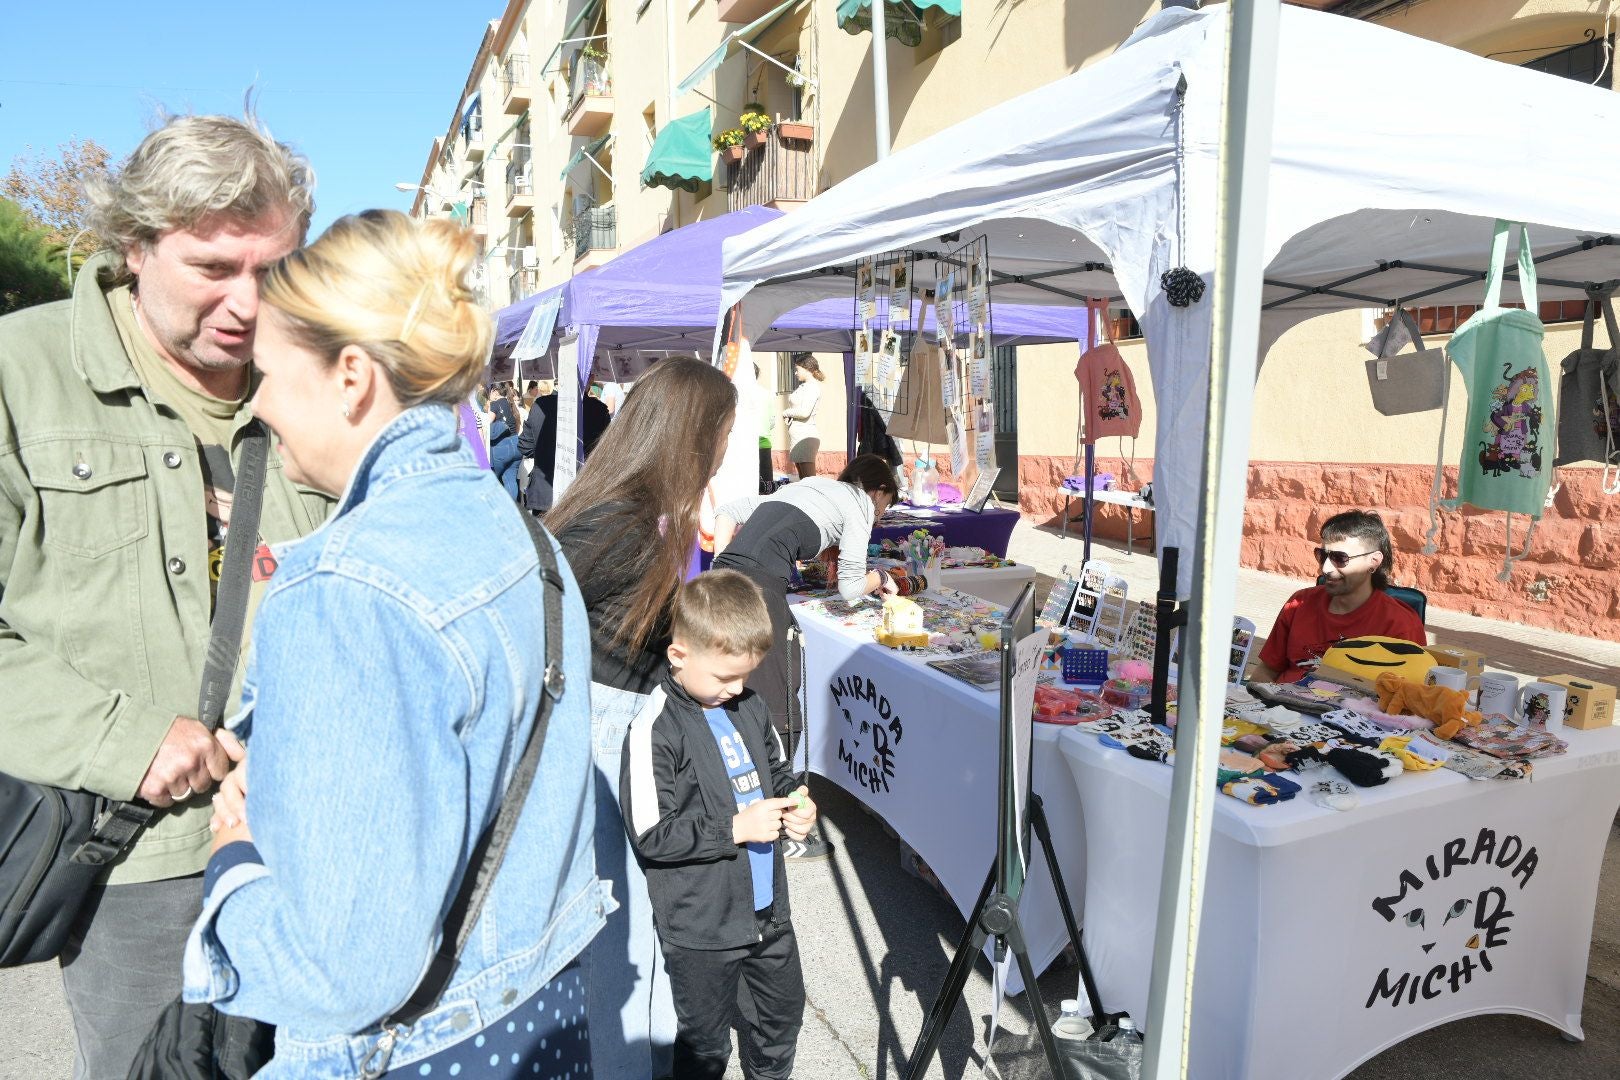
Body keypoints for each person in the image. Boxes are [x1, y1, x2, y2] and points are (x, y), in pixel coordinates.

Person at [186, 210, 609, 1076]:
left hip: (408, 1050)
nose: (254, 401)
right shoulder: (522, 533)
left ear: (350, 376)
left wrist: (233, 867)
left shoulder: (344, 587)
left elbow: (342, 972)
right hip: (541, 1020)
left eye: (264, 372)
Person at [0, 114, 328, 1080]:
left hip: (317, 839)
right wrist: (123, 739)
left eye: (274, 269)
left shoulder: (311, 381)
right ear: (136, 248)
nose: (248, 302)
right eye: (214, 267)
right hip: (138, 863)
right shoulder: (22, 377)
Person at [545, 356, 737, 1079]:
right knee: (620, 936)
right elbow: (542, 607)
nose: (725, 447)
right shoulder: (621, 522)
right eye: (722, 431)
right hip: (604, 737)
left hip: (617, 730)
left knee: (632, 932)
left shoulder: (638, 512)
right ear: (693, 434)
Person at [621, 570, 816, 1080]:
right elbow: (652, 834)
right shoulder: (655, 728)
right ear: (679, 655)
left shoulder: (748, 706)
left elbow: (776, 770)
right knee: (705, 1047)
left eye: (745, 676)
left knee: (780, 1020)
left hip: (767, 913)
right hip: (701, 928)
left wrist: (796, 799)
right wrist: (735, 828)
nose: (736, 689)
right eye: (725, 678)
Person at [711, 454, 899, 861]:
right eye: (887, 503)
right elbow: (850, 588)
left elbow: (726, 511)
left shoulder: (804, 486)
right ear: (879, 491)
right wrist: (882, 578)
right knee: (782, 703)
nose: (882, 512)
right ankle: (788, 826)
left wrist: (721, 566)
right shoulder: (859, 504)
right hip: (759, 587)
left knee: (733, 690)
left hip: (727, 576)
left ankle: (739, 803)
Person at [1250, 510, 1427, 683]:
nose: (1325, 568)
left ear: (1373, 561)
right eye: (1322, 555)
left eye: (1339, 558)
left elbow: (1408, 698)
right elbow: (1266, 671)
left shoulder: (1401, 626)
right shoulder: (1299, 603)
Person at [518, 376, 612, 513]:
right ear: (590, 378)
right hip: (580, 496)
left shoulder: (541, 405)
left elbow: (524, 446)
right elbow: (606, 455)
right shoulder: (598, 410)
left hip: (548, 495)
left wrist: (545, 451)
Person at [781, 353, 824, 479]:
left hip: (805, 437)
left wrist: (786, 412)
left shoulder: (812, 387)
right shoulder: (804, 386)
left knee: (809, 481)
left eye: (797, 370)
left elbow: (804, 412)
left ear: (807, 369)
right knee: (803, 480)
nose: (795, 373)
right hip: (799, 437)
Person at [489, 394, 522, 500]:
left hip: (501, 448)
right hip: (516, 444)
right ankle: (514, 511)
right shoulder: (512, 403)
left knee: (493, 482)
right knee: (511, 481)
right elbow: (517, 426)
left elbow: (487, 424)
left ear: (495, 391)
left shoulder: (494, 405)